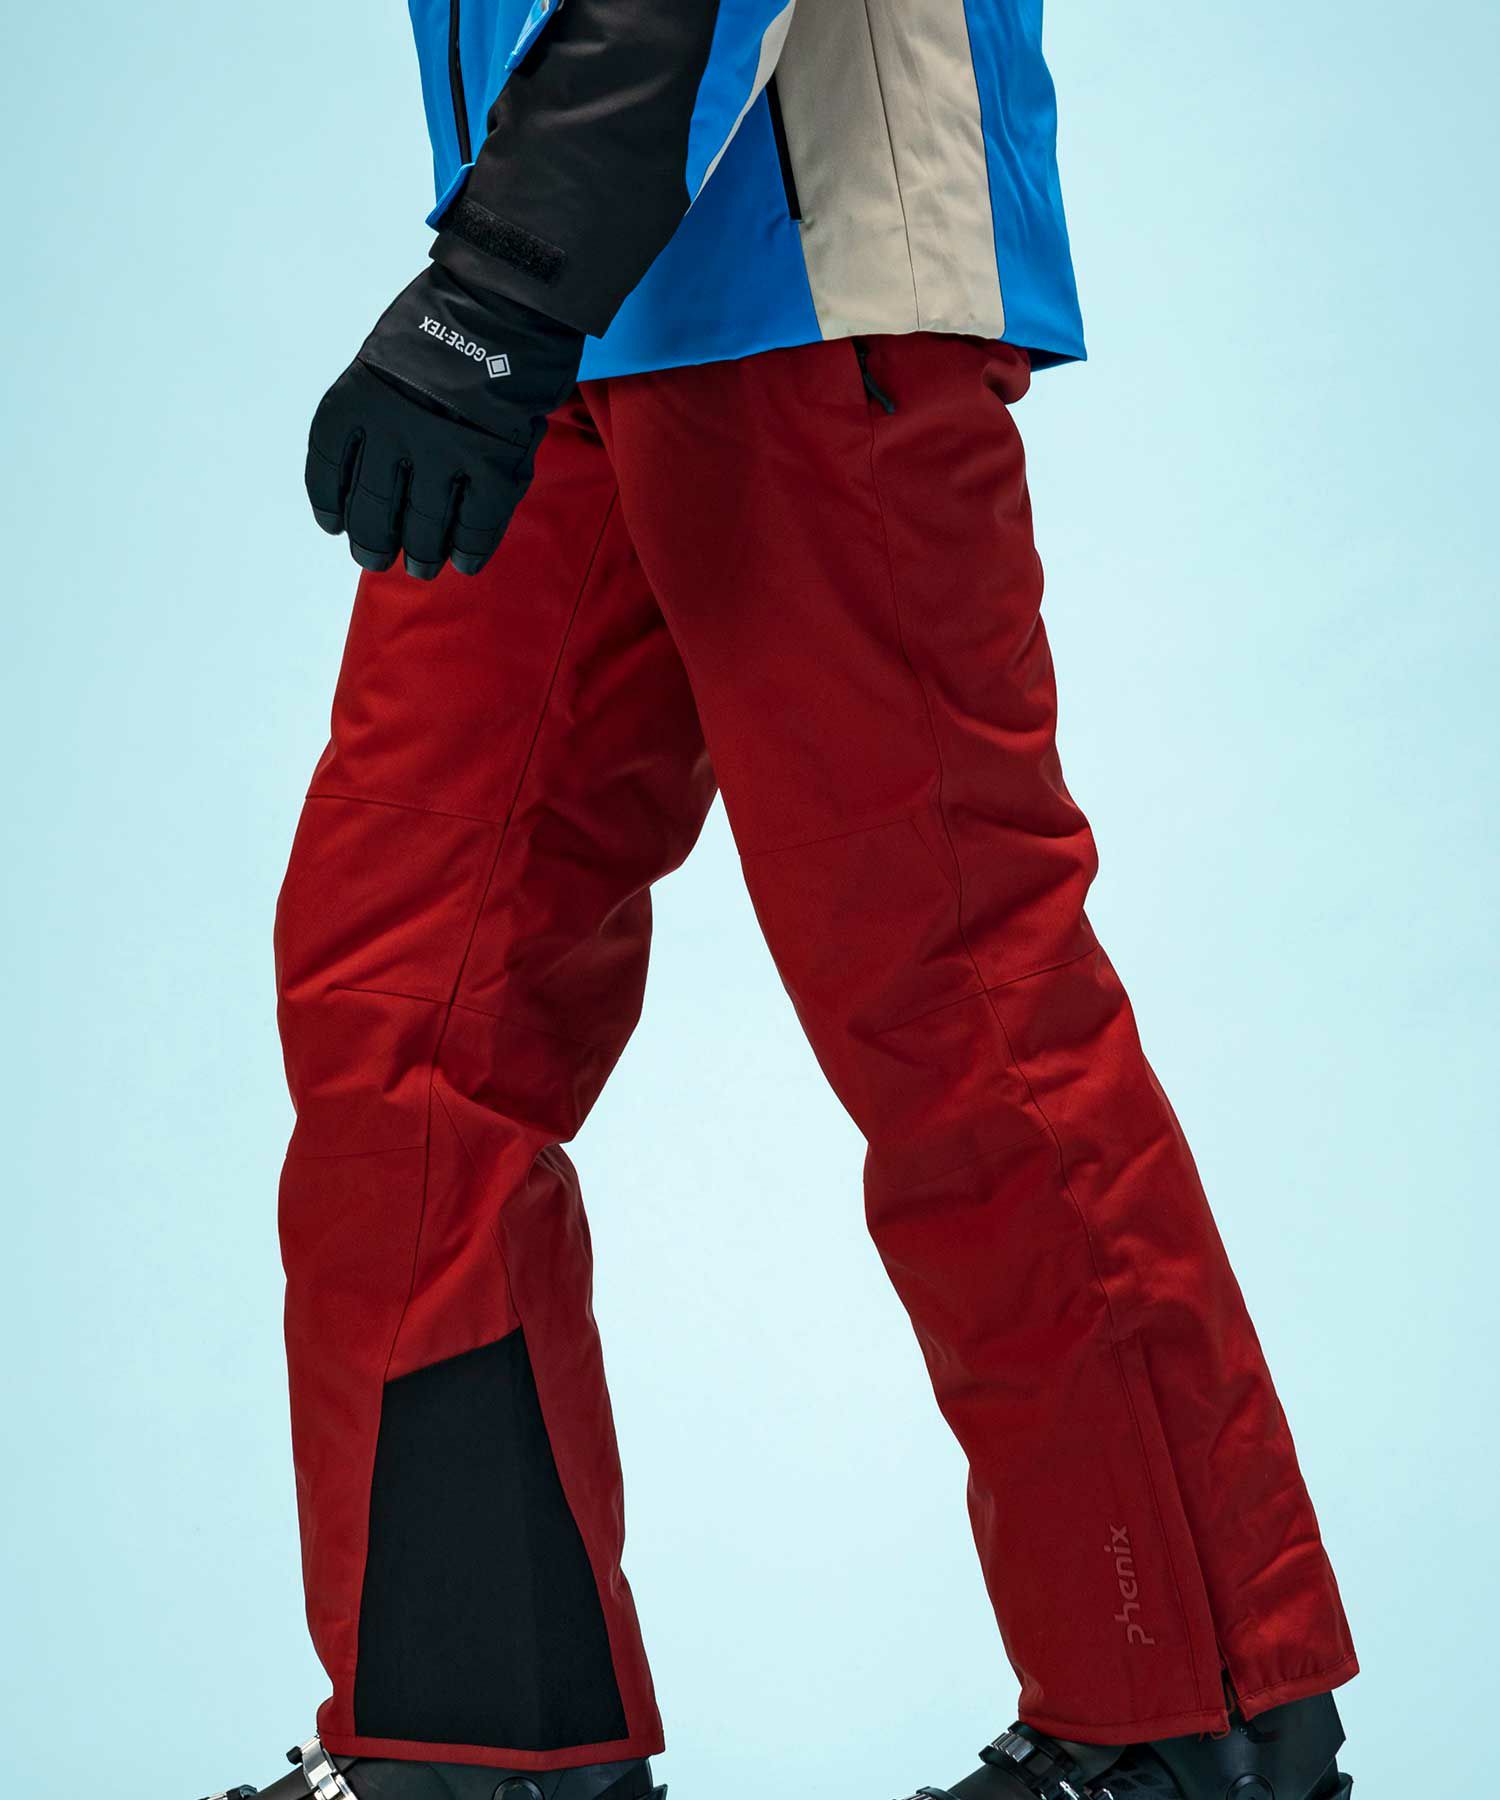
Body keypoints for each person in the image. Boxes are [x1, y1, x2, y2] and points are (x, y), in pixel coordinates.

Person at [202, 5, 1359, 1798]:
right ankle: (478, 1745)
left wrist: (498, 283)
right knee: (404, 996)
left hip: (808, 274)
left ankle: (1182, 1722)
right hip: (573, 293)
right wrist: (510, 275)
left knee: (953, 991)